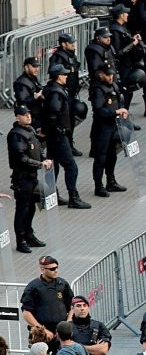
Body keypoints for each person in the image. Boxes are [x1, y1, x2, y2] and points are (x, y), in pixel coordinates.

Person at [43, 62, 91, 210]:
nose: (66, 76)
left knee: (53, 166)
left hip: (53, 136)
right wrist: (59, 131)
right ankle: (73, 198)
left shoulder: (51, 89)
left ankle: (49, 195)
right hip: (58, 137)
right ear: (58, 77)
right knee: (71, 167)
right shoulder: (57, 93)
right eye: (64, 74)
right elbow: (53, 114)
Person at [7, 107, 52, 253]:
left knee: (32, 206)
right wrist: (40, 164)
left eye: (29, 114)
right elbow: (21, 158)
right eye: (24, 115)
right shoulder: (16, 135)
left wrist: (44, 159)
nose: (28, 116)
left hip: (32, 176)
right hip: (22, 178)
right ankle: (21, 241)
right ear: (17, 117)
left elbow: (38, 149)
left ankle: (29, 234)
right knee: (22, 209)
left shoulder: (30, 130)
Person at [89, 67, 128, 197]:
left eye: (111, 75)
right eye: (107, 75)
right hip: (102, 128)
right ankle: (98, 186)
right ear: (100, 74)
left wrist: (122, 110)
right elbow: (99, 110)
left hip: (114, 126)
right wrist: (115, 112)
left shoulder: (114, 86)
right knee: (101, 157)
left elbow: (119, 101)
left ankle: (110, 181)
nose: (111, 77)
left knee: (112, 155)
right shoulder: (97, 89)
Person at [21, 256, 73, 350]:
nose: (56, 270)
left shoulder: (62, 283)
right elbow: (26, 313)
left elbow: (71, 306)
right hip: (42, 333)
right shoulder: (33, 287)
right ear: (42, 269)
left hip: (61, 331)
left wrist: (67, 325)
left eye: (57, 267)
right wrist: (43, 330)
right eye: (52, 269)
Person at [108, 4, 145, 114]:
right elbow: (118, 52)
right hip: (122, 66)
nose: (127, 15)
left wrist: (132, 39)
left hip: (128, 64)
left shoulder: (122, 27)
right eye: (125, 13)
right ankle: (123, 116)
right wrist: (133, 44)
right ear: (120, 15)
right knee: (125, 92)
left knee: (129, 91)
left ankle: (126, 115)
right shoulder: (115, 30)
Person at [14, 57, 44, 135]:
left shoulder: (32, 78)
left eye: (37, 67)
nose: (37, 69)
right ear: (26, 67)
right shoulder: (21, 82)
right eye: (34, 67)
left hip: (38, 115)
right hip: (31, 117)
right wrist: (35, 97)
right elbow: (22, 102)